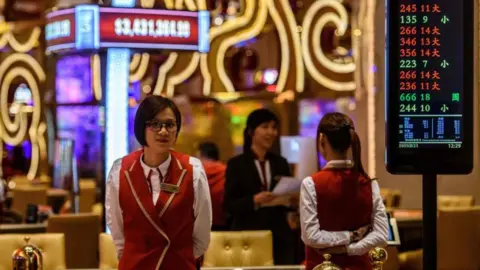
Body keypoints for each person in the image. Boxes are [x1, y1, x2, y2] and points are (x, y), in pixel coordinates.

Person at [105, 95, 212, 270]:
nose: (163, 131)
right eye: (155, 124)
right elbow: (117, 230)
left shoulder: (193, 170)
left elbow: (201, 234)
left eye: (169, 125)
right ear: (142, 128)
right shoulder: (120, 170)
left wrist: (177, 258)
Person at [299, 112, 388, 270]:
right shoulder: (369, 183)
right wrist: (352, 240)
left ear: (322, 139)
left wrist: (343, 246)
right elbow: (381, 234)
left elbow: (311, 237)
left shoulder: (311, 183)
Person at [224, 108, 295, 265]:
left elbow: (288, 199)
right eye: (265, 127)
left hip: (278, 235)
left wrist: (291, 201)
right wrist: (254, 200)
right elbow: (229, 204)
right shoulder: (236, 164)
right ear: (251, 132)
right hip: (248, 236)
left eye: (274, 127)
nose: (271, 132)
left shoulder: (281, 163)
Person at [197, 142, 228, 231]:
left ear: (200, 154)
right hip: (224, 225)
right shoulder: (227, 172)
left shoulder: (194, 172)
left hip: (199, 227)